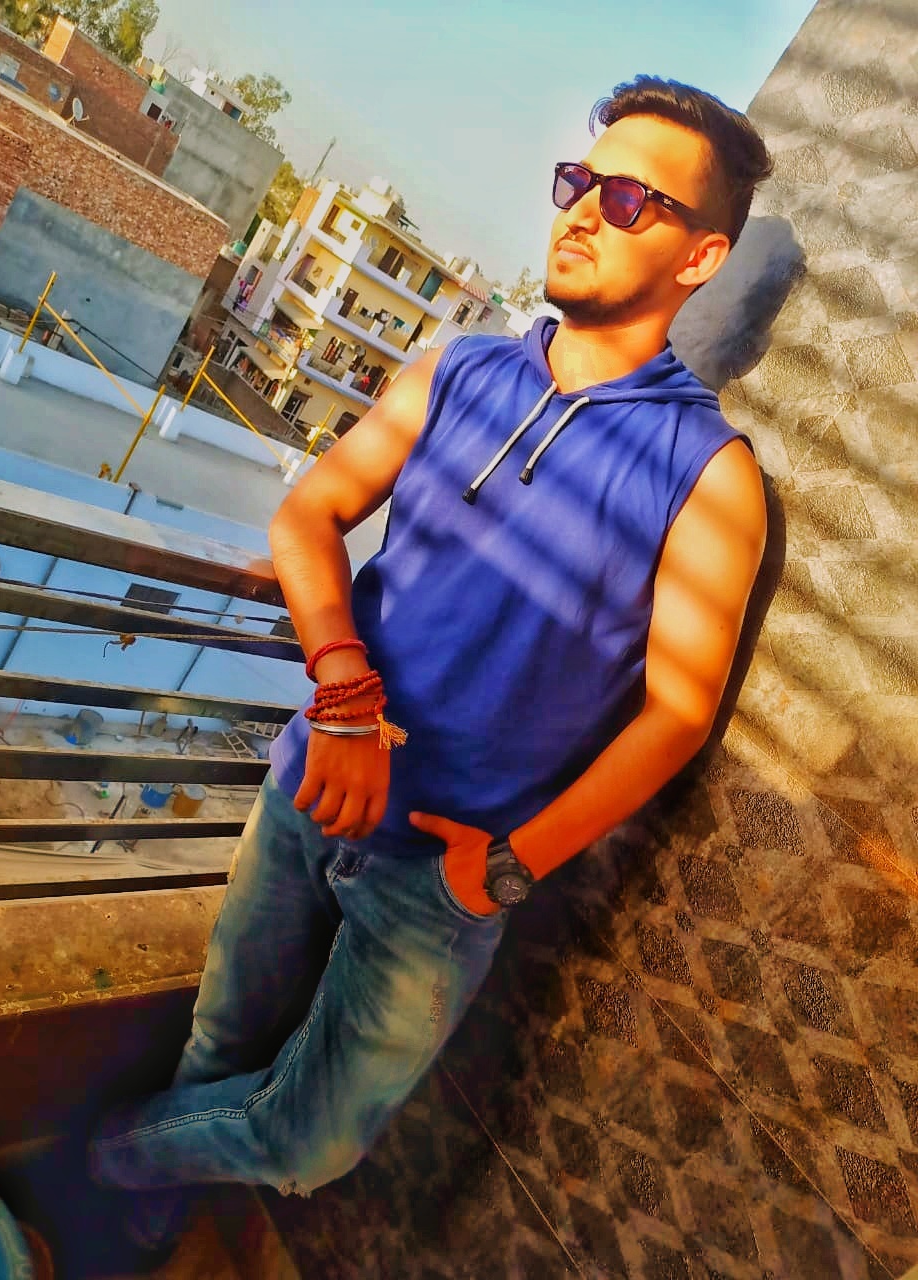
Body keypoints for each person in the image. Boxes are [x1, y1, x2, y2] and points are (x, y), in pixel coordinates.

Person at [90, 75, 772, 1259]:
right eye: (579, 182)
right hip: (313, 785)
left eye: (627, 199)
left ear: (702, 256)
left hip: (444, 875)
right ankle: (150, 1199)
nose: (582, 210)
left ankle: (102, 1157)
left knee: (315, 1140)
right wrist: (345, 701)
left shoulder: (709, 473)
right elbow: (309, 515)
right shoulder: (456, 372)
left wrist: (505, 867)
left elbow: (676, 713)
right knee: (221, 1037)